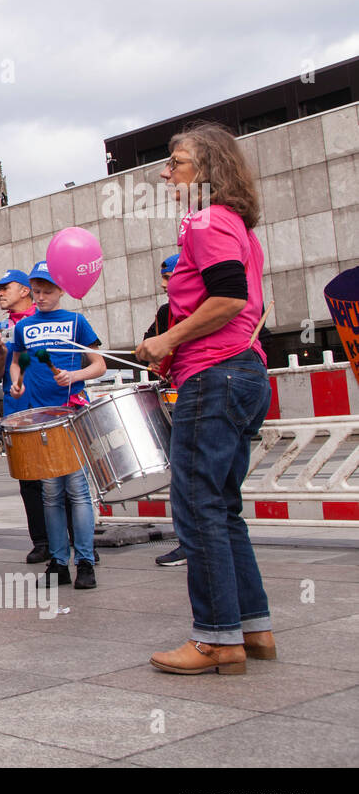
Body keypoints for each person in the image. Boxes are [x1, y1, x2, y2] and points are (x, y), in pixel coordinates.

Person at [137, 123, 274, 675]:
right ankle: (254, 627)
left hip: (214, 377)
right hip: (243, 374)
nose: (165, 173)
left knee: (197, 509)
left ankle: (218, 638)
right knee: (224, 509)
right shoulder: (239, 225)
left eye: (177, 163)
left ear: (208, 172)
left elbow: (228, 298)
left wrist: (167, 340)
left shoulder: (206, 220)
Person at [8, 261, 106, 590]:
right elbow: (18, 360)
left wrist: (74, 376)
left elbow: (99, 364)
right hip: (41, 417)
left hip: (71, 411)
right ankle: (59, 561)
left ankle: (86, 561)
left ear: (61, 290)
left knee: (77, 491)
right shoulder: (24, 326)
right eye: (36, 291)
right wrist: (16, 382)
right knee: (50, 493)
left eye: (47, 291)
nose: (41, 297)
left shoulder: (76, 322)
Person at [0, 268, 52, 564]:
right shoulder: (1, 330)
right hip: (17, 413)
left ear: (25, 290)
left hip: (51, 409)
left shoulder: (48, 318)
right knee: (29, 481)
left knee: (61, 478)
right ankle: (42, 541)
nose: (0, 293)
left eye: (5, 287)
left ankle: (77, 538)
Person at [146, 253, 187, 567]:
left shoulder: (207, 306)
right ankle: (188, 540)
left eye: (167, 278)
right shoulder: (165, 312)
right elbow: (147, 345)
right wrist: (152, 358)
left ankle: (202, 542)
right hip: (179, 401)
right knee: (182, 474)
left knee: (200, 477)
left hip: (206, 395)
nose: (162, 286)